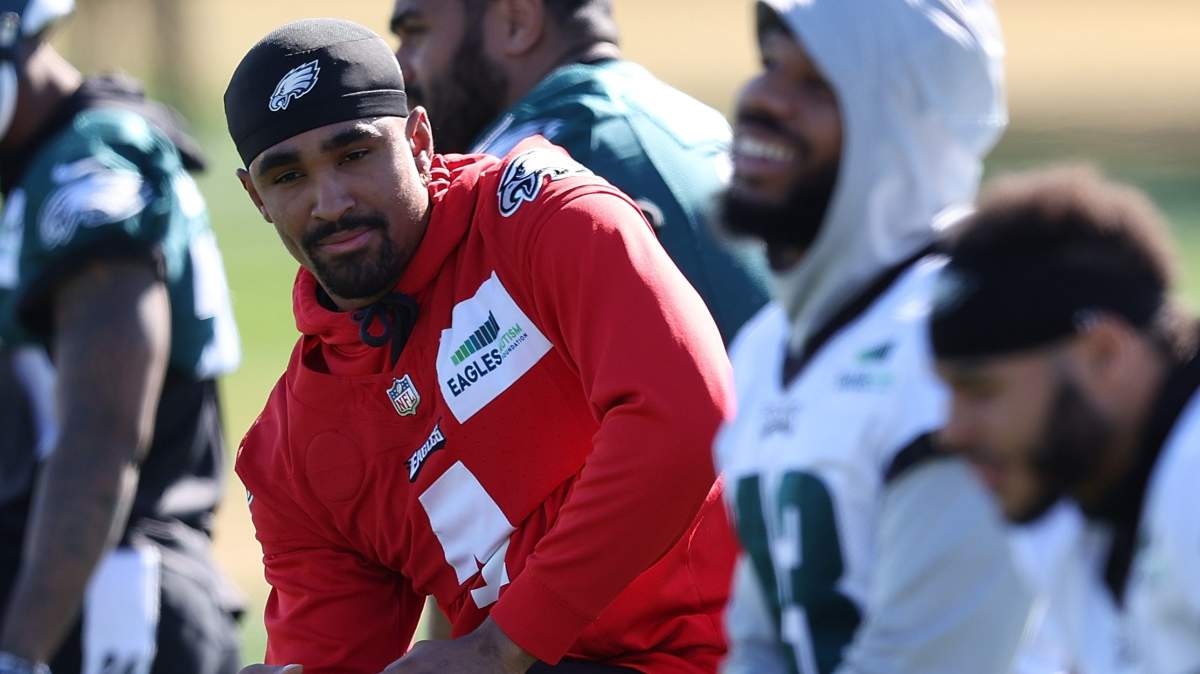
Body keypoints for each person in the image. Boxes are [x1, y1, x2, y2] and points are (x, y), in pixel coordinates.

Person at [225, 18, 736, 674]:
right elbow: (334, 657)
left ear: (418, 141)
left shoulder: (543, 218)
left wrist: (504, 644)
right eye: (288, 176)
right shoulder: (289, 453)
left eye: (354, 154)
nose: (330, 202)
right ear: (255, 197)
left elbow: (687, 417)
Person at [712, 1, 1035, 672]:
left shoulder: (961, 347)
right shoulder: (768, 347)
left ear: (904, 128)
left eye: (818, 83)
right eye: (771, 64)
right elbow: (760, 642)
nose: (764, 96)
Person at [0, 0, 243, 672]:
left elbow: (101, 437)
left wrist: (18, 651)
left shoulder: (87, 168)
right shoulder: (41, 164)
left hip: (108, 610)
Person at [931, 167, 1200, 674]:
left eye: (981, 391)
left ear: (1105, 354)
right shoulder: (1074, 495)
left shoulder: (1192, 473)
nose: (952, 431)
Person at [388, 0, 770, 344]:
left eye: (416, 32)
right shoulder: (679, 116)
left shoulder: (556, 157)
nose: (400, 68)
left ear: (517, 22)